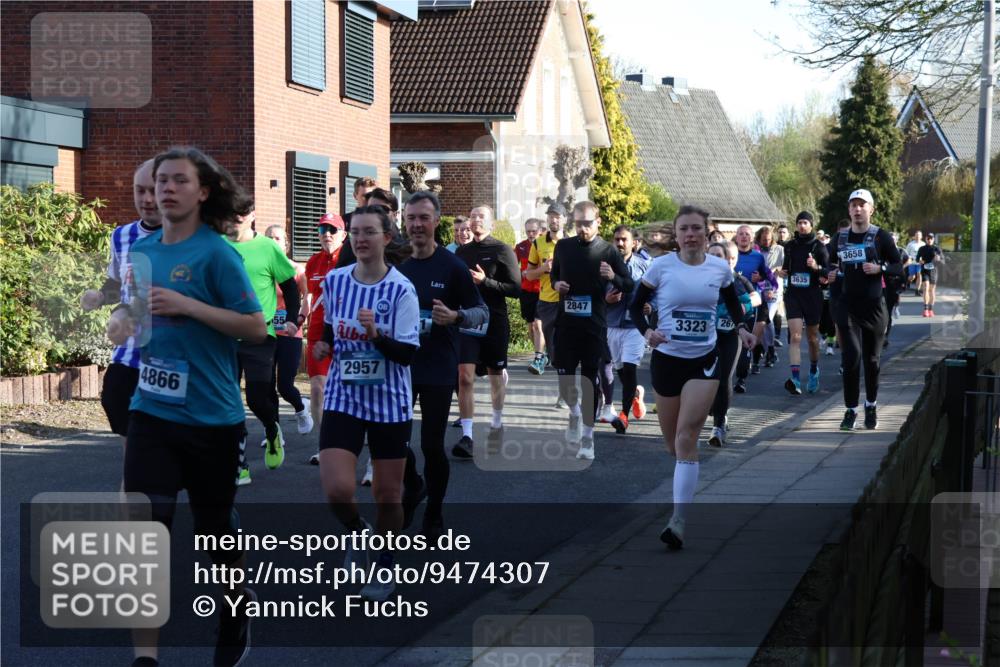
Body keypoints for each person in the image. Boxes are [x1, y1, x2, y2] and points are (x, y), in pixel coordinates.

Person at [120, 147, 266, 667]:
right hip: (151, 412)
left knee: (214, 537)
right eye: (160, 180)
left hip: (212, 420)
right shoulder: (145, 250)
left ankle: (235, 613)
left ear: (203, 192)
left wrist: (188, 306)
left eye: (179, 180)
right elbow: (134, 307)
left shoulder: (217, 254)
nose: (166, 189)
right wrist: (123, 318)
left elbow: (254, 327)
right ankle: (146, 659)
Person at [312, 205, 420, 602]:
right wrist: (324, 341)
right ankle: (361, 535)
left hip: (389, 401)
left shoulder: (401, 289)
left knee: (389, 496)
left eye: (369, 232)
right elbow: (329, 325)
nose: (359, 239)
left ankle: (387, 559)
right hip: (344, 396)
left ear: (386, 238)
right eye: (355, 232)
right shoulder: (337, 281)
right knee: (338, 490)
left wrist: (375, 334)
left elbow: (407, 354)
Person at [629, 205, 745, 549]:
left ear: (706, 233)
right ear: (676, 235)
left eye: (696, 228)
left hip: (704, 362)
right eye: (685, 229)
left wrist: (742, 328)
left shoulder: (719, 268)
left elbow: (734, 304)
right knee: (672, 444)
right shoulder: (661, 267)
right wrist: (647, 332)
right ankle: (684, 486)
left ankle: (678, 521)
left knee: (686, 438)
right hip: (667, 361)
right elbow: (636, 307)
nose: (691, 234)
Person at [398, 191, 488, 537]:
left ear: (437, 222)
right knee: (393, 441)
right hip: (401, 367)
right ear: (404, 222)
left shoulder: (453, 267)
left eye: (423, 218)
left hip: (437, 366)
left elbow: (480, 313)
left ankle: (433, 511)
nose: (417, 224)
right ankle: (413, 483)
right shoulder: (400, 269)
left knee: (431, 444)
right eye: (411, 218)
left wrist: (455, 316)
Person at [81, 159, 162, 454]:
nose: (147, 199)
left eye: (153, 190)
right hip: (130, 348)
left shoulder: (192, 238)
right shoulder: (122, 236)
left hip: (172, 350)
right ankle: (141, 467)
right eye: (140, 191)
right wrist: (101, 297)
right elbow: (117, 283)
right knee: (114, 400)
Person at [550, 201, 634, 459]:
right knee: (565, 383)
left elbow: (629, 284)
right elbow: (554, 276)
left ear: (598, 222)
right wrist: (558, 285)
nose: (582, 228)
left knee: (589, 382)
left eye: (587, 223)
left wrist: (612, 278)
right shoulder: (563, 246)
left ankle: (588, 440)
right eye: (578, 224)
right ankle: (574, 413)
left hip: (593, 326)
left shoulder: (608, 251)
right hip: (566, 324)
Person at [224, 202, 300, 484]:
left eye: (241, 213)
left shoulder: (267, 247)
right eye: (231, 212)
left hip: (260, 334)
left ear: (253, 216)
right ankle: (238, 463)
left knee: (256, 399)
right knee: (228, 402)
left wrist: (292, 318)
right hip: (224, 336)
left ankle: (271, 429)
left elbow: (290, 285)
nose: (236, 217)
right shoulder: (217, 245)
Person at [826, 189, 903, 430]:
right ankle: (850, 410)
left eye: (862, 205)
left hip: (874, 308)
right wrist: (828, 274)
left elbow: (899, 266)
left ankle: (871, 405)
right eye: (853, 205)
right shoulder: (839, 238)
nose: (857, 209)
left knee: (871, 360)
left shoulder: (881, 237)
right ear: (848, 210)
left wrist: (880, 269)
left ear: (871, 209)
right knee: (851, 358)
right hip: (847, 306)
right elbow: (829, 264)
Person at [452, 205, 521, 458]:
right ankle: (467, 436)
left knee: (494, 374)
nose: (475, 220)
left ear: (491, 224)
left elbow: (515, 288)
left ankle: (496, 421)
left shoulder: (501, 250)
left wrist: (486, 282)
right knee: (464, 376)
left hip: (494, 321)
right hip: (469, 321)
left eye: (481, 217)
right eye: (472, 216)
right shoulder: (461, 252)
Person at [304, 213, 346, 465]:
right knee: (318, 388)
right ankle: (326, 445)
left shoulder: (349, 259)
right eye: (322, 230)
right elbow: (309, 295)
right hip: (319, 334)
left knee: (347, 390)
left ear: (343, 234)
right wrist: (301, 314)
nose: (327, 234)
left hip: (347, 334)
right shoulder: (313, 262)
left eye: (332, 229)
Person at [707, 241, 758, 447]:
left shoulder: (734, 281)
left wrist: (737, 312)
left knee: (724, 377)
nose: (715, 259)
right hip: (706, 337)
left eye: (719, 255)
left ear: (726, 259)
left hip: (730, 334)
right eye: (711, 255)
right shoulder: (697, 279)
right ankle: (714, 411)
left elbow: (752, 302)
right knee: (708, 378)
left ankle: (718, 425)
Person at [263, 224, 313, 436]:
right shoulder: (260, 268)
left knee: (285, 386)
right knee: (267, 385)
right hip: (266, 333)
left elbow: (307, 298)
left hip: (290, 333)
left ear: (286, 244)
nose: (273, 242)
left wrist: (300, 318)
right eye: (269, 238)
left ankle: (301, 407)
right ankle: (274, 432)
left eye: (278, 238)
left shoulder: (297, 270)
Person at [603, 225, 650, 433]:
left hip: (635, 326)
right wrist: (605, 299)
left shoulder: (645, 266)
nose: (620, 243)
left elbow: (656, 291)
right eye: (617, 240)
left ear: (634, 243)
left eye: (624, 239)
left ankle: (623, 415)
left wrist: (652, 306)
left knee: (630, 368)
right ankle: (635, 396)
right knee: (621, 370)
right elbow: (594, 293)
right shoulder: (603, 266)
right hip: (611, 324)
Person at [777, 211, 829, 394]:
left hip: (812, 295)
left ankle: (814, 370)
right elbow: (785, 269)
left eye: (805, 222)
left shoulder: (819, 247)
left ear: (811, 225)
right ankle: (796, 379)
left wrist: (816, 267)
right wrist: (780, 273)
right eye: (799, 222)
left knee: (812, 338)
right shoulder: (789, 246)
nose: (801, 225)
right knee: (795, 336)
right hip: (793, 295)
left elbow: (827, 272)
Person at [526, 203, 567, 381]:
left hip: (568, 301)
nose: (553, 219)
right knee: (553, 349)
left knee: (565, 347)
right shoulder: (538, 243)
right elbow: (528, 275)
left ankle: (565, 392)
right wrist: (543, 268)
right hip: (547, 301)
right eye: (550, 216)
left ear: (565, 219)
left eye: (557, 216)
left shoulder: (573, 242)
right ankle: (546, 359)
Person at [732, 225, 776, 387]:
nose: (744, 237)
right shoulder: (729, 255)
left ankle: (741, 378)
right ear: (736, 237)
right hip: (729, 304)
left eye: (747, 234)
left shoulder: (758, 257)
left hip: (750, 305)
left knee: (746, 341)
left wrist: (764, 283)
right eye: (741, 234)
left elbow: (769, 278)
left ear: (752, 238)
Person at [515, 218, 546, 374]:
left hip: (542, 290)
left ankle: (538, 358)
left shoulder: (545, 245)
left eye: (534, 231)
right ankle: (541, 353)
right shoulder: (520, 247)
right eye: (528, 231)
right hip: (526, 291)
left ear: (540, 230)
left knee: (537, 325)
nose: (531, 234)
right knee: (530, 328)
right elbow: (513, 267)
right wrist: (519, 273)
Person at [335, 176, 380, 268]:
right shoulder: (344, 221)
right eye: (365, 196)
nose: (368, 199)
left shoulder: (381, 221)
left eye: (371, 196)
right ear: (355, 196)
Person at [755, 226, 784, 367]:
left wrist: (776, 270)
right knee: (762, 322)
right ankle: (769, 350)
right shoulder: (755, 250)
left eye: (768, 239)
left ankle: (770, 349)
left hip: (774, 288)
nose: (766, 242)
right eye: (763, 240)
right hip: (759, 289)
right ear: (759, 239)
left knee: (768, 319)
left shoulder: (779, 249)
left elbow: (784, 268)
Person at [917, 232, 944, 317]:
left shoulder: (937, 249)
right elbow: (917, 258)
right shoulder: (922, 248)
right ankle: (925, 310)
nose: (929, 240)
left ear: (933, 239)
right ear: (925, 239)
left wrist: (938, 259)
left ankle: (931, 309)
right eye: (928, 238)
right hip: (924, 270)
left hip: (933, 271)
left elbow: (943, 261)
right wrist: (920, 261)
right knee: (925, 288)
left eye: (931, 238)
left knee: (931, 290)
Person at [905, 230, 925, 295]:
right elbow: (906, 253)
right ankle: (907, 282)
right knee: (912, 277)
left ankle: (917, 290)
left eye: (919, 235)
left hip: (920, 263)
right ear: (914, 236)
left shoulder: (923, 244)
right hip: (912, 263)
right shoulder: (910, 244)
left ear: (921, 236)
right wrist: (909, 259)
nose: (917, 236)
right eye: (916, 235)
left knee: (919, 275)